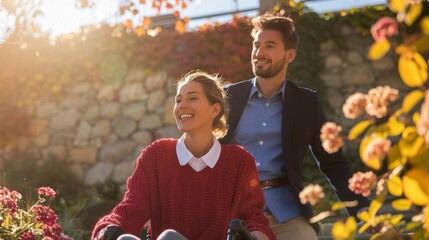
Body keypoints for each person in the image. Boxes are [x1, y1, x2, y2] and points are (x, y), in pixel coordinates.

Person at [219, 13, 371, 239]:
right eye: (256, 45)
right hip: (233, 209)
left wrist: (364, 212)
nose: (259, 53)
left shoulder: (306, 102)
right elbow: (202, 150)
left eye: (269, 46)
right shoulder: (228, 96)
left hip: (285, 212)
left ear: (290, 55)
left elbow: (332, 161)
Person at [91, 71, 275, 240]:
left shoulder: (240, 162)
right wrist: (107, 229)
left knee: (169, 237)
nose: (182, 105)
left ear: (215, 110)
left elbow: (252, 215)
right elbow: (132, 207)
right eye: (178, 100)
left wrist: (258, 234)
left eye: (192, 98)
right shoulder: (156, 156)